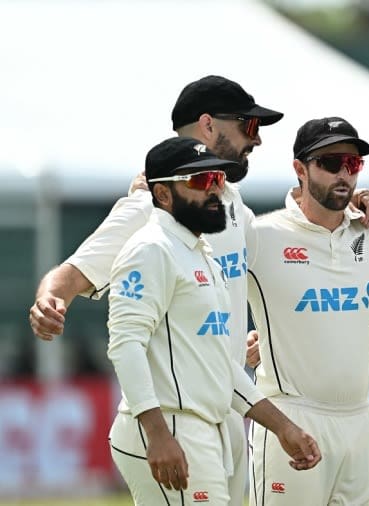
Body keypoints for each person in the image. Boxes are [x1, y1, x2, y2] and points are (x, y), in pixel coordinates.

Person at [27, 75, 286, 506]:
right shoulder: (150, 204)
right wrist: (48, 300)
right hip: (174, 417)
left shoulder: (233, 203)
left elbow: (259, 270)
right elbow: (73, 274)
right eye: (248, 126)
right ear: (208, 124)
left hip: (226, 411)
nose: (255, 140)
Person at [107, 136, 320, 505]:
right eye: (197, 181)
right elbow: (125, 345)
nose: (213, 191)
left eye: (216, 180)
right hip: (170, 426)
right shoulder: (150, 248)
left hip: (204, 428)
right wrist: (157, 434)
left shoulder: (200, 253)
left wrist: (283, 427)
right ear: (162, 196)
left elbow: (220, 365)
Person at [242, 117, 369, 505]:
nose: (343, 174)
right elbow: (196, 281)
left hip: (360, 421)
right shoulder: (261, 235)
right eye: (330, 162)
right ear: (299, 169)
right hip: (291, 415)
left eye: (352, 165)